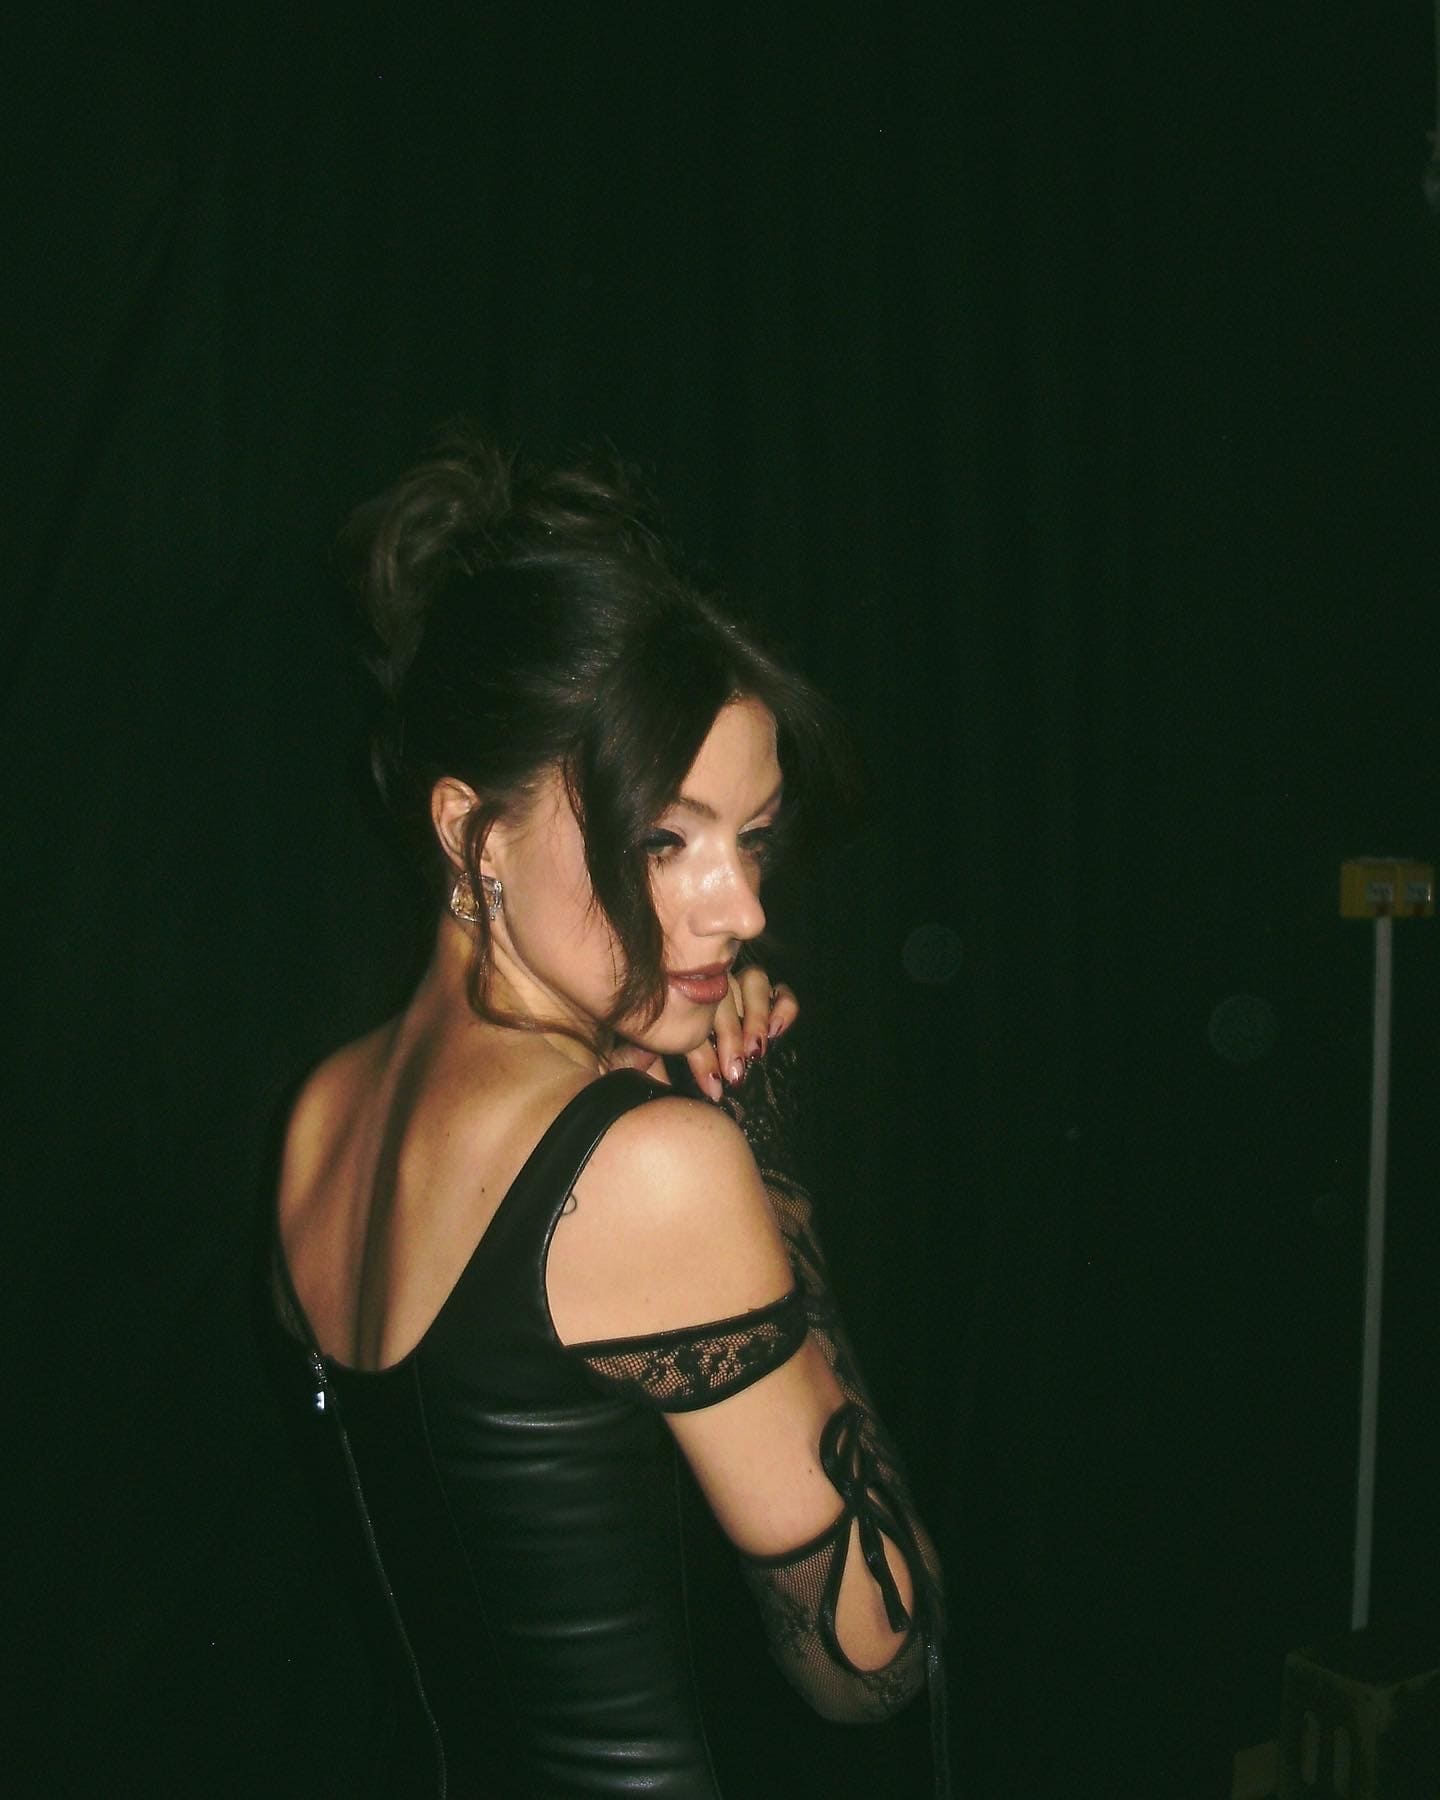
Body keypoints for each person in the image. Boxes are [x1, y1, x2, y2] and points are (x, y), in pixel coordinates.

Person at [271, 438, 946, 1798]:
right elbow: (873, 1654)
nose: (742, 908)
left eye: (751, 838)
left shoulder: (324, 1110)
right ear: (475, 837)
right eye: (665, 840)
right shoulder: (648, 1168)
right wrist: (760, 1154)